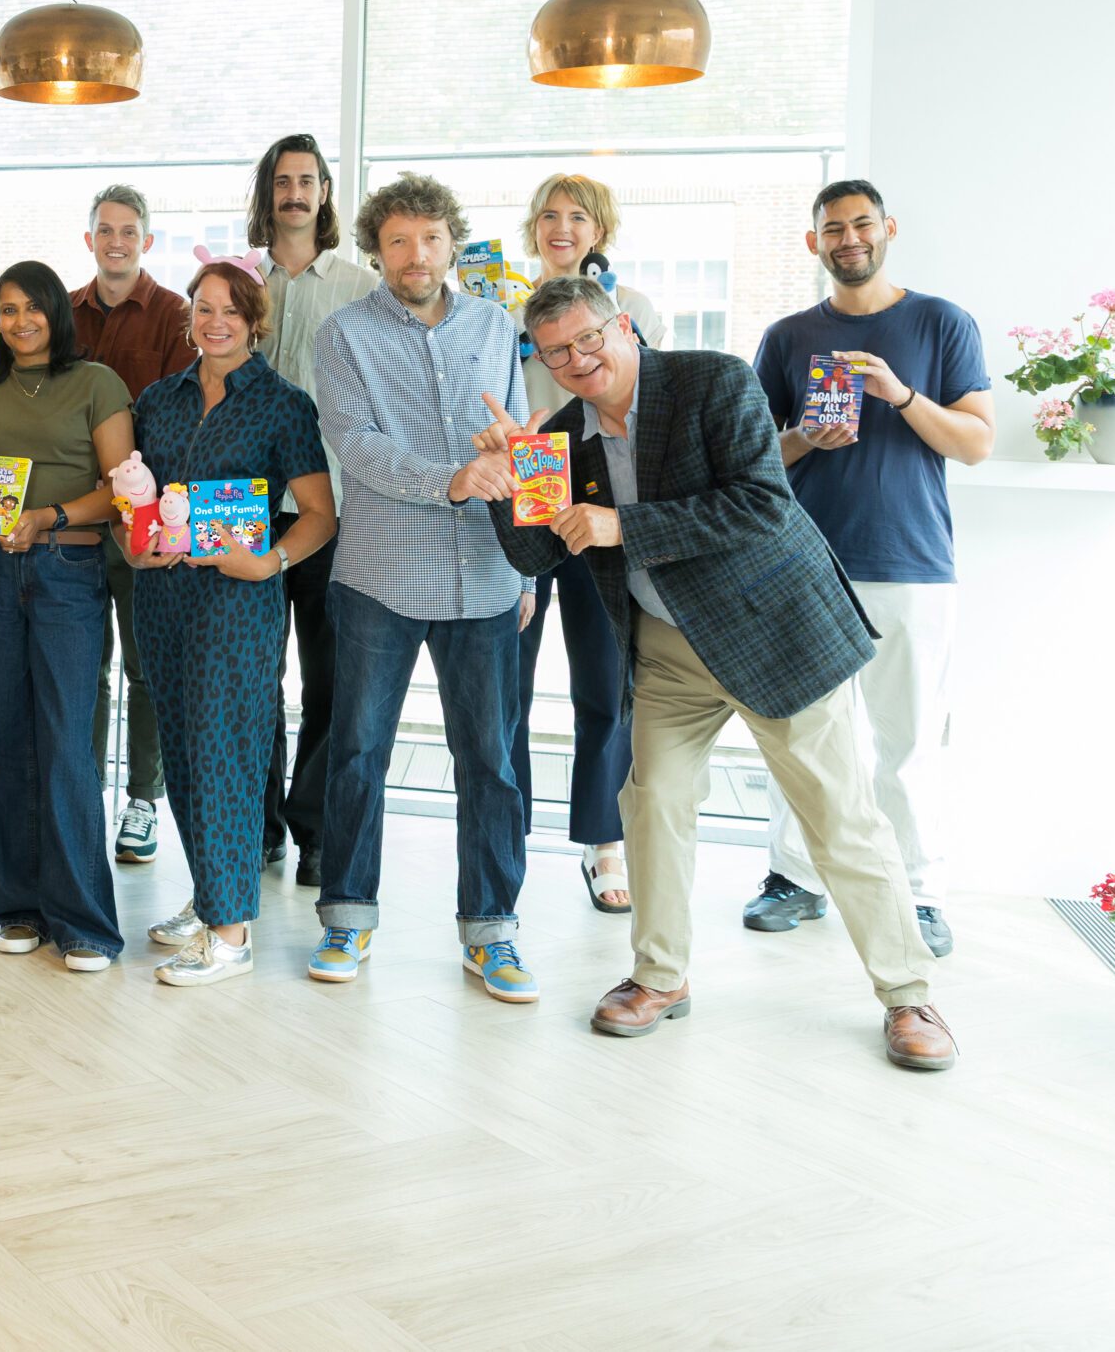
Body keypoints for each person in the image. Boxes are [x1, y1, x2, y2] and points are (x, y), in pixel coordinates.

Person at [482, 275, 957, 1070]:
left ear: (623, 326)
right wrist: (507, 481)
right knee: (653, 802)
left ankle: (909, 995)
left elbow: (759, 505)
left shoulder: (713, 380)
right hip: (669, 652)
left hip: (775, 633)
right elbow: (538, 552)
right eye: (557, 351)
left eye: (589, 339)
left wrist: (619, 524)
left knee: (841, 820)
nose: (577, 360)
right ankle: (658, 978)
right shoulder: (560, 436)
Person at [748, 180, 993, 956]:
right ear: (812, 243)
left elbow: (975, 441)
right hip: (807, 559)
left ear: (887, 228)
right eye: (832, 228)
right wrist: (804, 441)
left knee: (909, 737)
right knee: (807, 735)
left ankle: (917, 893)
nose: (848, 238)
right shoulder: (788, 337)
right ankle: (794, 878)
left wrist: (901, 393)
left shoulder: (942, 322)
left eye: (861, 224)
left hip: (912, 562)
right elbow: (751, 456)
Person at [308, 174, 537, 1002]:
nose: (416, 255)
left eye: (431, 238)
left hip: (483, 575)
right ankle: (346, 917)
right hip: (379, 573)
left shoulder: (495, 324)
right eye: (399, 241)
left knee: (491, 761)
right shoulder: (342, 336)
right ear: (376, 249)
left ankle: (493, 932)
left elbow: (513, 449)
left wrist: (524, 559)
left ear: (452, 243)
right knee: (359, 752)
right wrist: (457, 474)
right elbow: (358, 449)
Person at [127, 255, 335, 986]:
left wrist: (272, 562)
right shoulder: (158, 399)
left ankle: (231, 933)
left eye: (230, 311)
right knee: (182, 751)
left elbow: (319, 515)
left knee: (229, 752)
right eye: (203, 308)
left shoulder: (283, 405)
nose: (214, 322)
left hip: (237, 603)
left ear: (255, 322)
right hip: (163, 599)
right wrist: (140, 541)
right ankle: (209, 892)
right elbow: (143, 503)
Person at [0, 260, 136, 972]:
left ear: (56, 314)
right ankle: (20, 908)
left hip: (69, 567)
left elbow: (121, 489)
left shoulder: (97, 384)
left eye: (33, 308)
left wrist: (48, 516)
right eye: (6, 309)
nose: (20, 321)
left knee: (67, 742)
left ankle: (86, 922)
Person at [511, 174, 666, 916]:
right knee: (504, 689)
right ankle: (502, 839)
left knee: (605, 685)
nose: (562, 228)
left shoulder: (632, 311)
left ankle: (605, 842)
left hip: (603, 510)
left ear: (599, 230)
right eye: (549, 216)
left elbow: (645, 412)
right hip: (523, 508)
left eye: (578, 217)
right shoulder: (497, 309)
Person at [248, 135, 377, 887]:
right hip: (248, 512)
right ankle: (257, 824)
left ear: (325, 192)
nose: (294, 193)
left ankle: (316, 830)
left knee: (331, 679)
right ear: (266, 194)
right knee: (252, 676)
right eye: (282, 181)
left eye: (307, 181)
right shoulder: (240, 283)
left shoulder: (362, 287)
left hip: (334, 511)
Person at [67, 184, 192, 865]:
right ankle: (83, 792)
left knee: (147, 670)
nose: (117, 240)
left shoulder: (175, 315)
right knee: (85, 668)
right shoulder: (62, 313)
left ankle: (143, 800)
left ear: (146, 240)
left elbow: (175, 420)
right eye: (105, 230)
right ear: (89, 239)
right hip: (78, 521)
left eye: (129, 231)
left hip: (144, 526)